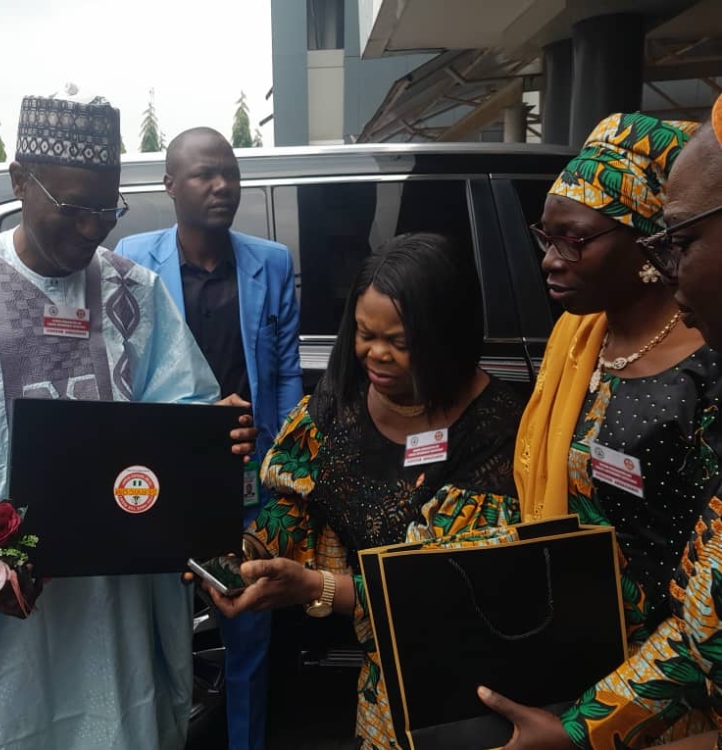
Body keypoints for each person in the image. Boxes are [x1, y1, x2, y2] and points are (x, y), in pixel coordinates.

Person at [0, 90, 257, 750]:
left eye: (107, 208)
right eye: (74, 207)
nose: (94, 229)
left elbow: (179, 414)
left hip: (110, 611)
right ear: (18, 182)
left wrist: (214, 435)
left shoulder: (135, 293)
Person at [208, 232, 527, 750]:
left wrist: (317, 588)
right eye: (363, 333)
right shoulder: (340, 403)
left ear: (446, 334)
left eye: (400, 343)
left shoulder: (495, 430)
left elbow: (449, 586)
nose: (375, 355)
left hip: (470, 693)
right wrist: (251, 555)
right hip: (382, 683)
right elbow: (297, 506)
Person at [480, 94, 722, 750]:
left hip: (673, 699)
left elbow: (706, 613)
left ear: (650, 240)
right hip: (571, 661)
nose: (550, 259)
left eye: (575, 239)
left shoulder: (706, 367)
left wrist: (582, 731)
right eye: (545, 237)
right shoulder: (576, 340)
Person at [115, 126, 303, 750]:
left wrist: (281, 468)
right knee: (156, 633)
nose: (222, 185)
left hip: (247, 475)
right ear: (170, 184)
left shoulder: (270, 264)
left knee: (249, 631)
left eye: (230, 172)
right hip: (164, 478)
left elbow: (282, 374)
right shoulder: (132, 261)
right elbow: (122, 377)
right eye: (204, 174)